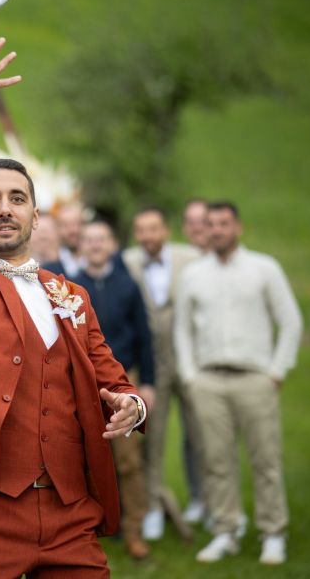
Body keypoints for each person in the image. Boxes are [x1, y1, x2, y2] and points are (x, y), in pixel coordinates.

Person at [0, 31, 146, 578]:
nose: (5, 209)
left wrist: (133, 407)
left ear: (38, 218)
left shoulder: (72, 295)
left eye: (18, 199)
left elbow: (112, 376)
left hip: (69, 513)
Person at [175, 201, 302, 565]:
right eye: (211, 224)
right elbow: (183, 330)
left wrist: (276, 372)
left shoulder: (264, 269)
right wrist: (189, 375)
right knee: (215, 461)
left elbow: (290, 322)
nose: (216, 230)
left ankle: (273, 532)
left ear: (238, 227)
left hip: (255, 379)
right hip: (209, 381)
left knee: (265, 459)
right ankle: (226, 531)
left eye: (223, 224)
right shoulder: (194, 275)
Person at [60, 219, 156, 560]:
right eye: (89, 239)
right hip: (79, 382)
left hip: (122, 378)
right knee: (82, 457)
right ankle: (89, 529)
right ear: (80, 246)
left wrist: (147, 383)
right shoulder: (66, 286)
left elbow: (145, 337)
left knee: (128, 461)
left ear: (113, 244)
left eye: (102, 239)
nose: (96, 245)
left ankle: (133, 530)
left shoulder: (127, 285)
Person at [122, 206, 204, 536]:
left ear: (166, 231)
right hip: (149, 363)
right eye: (141, 230)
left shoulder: (190, 260)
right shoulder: (126, 261)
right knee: (152, 438)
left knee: (201, 433)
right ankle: (153, 505)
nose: (148, 236)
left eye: (153, 229)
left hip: (189, 358)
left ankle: (205, 499)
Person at [55, 202, 85, 277]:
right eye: (65, 225)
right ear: (57, 229)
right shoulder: (51, 265)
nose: (72, 230)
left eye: (76, 224)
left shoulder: (98, 261)